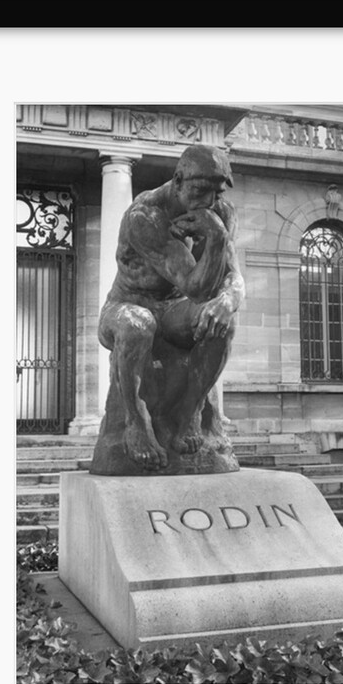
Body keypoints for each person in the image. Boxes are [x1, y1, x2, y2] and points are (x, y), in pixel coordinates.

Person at [98, 144, 245, 471]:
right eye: (199, 190)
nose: (208, 201)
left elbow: (233, 277)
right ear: (178, 181)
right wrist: (216, 238)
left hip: (174, 312)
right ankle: (136, 421)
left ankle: (190, 412)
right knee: (137, 325)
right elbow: (195, 286)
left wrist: (227, 300)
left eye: (216, 192)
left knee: (224, 322)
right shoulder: (145, 216)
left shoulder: (220, 212)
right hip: (127, 306)